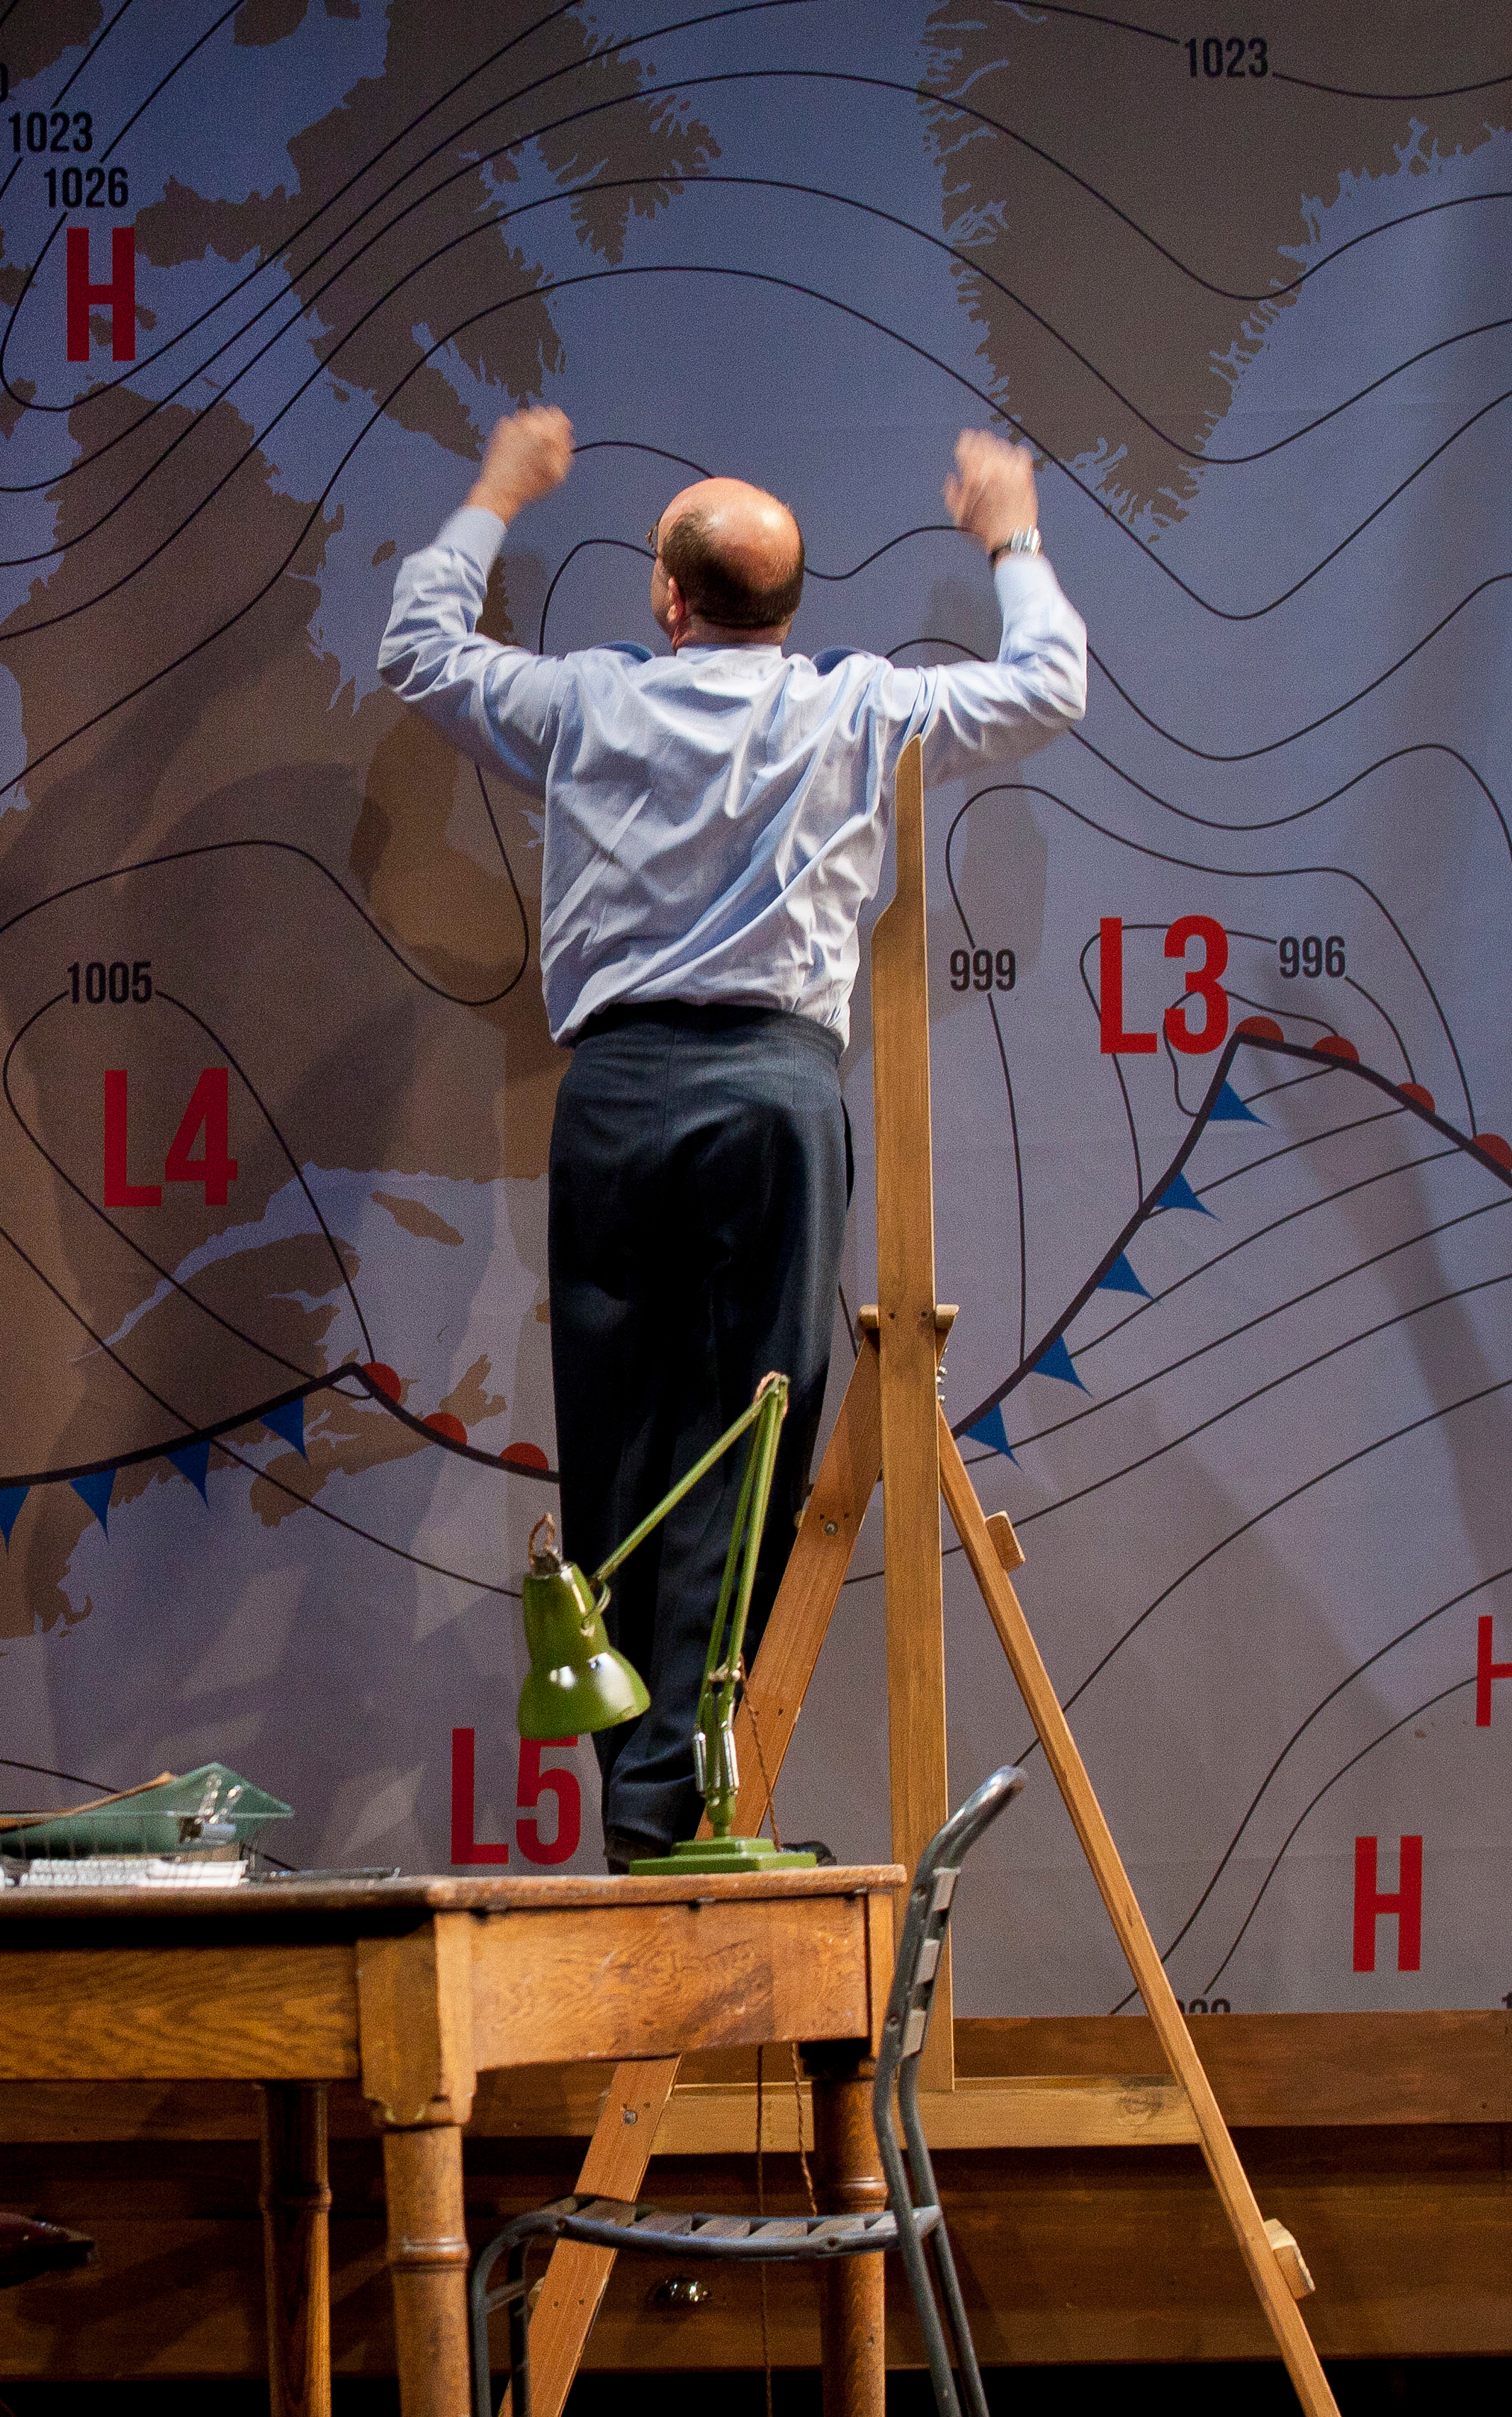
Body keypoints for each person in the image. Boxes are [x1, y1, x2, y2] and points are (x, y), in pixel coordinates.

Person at [380, 415, 1088, 1863]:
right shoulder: (855, 708)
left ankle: (648, 1798)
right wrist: (1011, 531)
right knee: (742, 1446)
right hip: (770, 1104)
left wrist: (500, 494)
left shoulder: (587, 704)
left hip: (621, 1101)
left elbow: (422, 646)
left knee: (627, 1444)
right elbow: (1050, 686)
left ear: (667, 597)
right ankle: (673, 1803)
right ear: (788, 606)